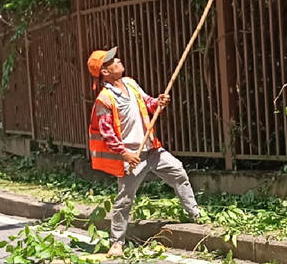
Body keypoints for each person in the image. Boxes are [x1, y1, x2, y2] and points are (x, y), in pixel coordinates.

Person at [86, 46, 203, 258]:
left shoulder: (130, 83)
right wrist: (124, 154)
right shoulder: (104, 99)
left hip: (152, 149)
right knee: (124, 200)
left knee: (178, 172)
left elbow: (147, 103)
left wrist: (158, 102)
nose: (119, 60)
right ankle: (116, 242)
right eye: (113, 60)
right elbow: (107, 132)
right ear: (104, 71)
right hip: (132, 157)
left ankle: (195, 214)